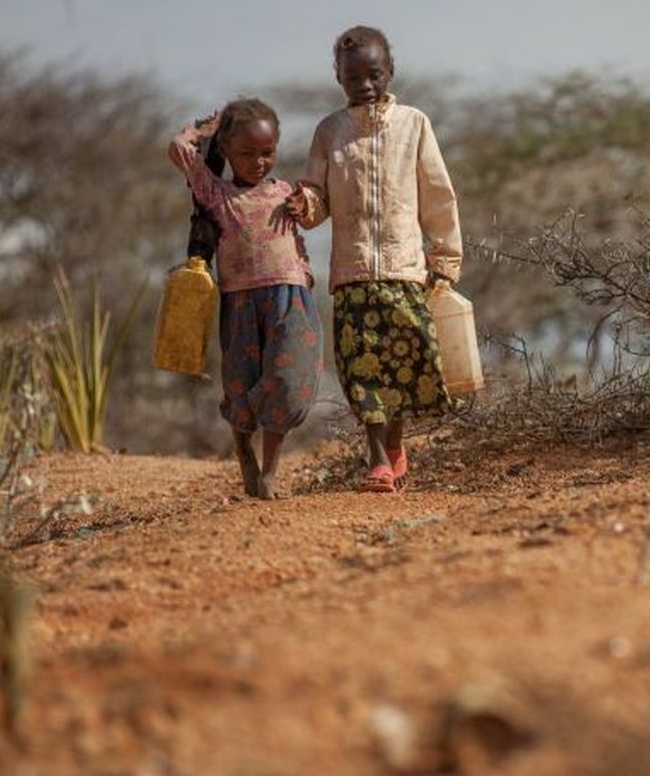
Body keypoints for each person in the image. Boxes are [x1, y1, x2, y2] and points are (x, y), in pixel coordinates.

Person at [286, 26, 462, 493]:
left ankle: (396, 445)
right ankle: (377, 457)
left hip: (405, 269)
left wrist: (444, 259)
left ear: (390, 71)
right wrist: (304, 203)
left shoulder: (414, 124)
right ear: (338, 78)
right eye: (353, 78)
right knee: (362, 367)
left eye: (374, 74)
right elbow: (317, 197)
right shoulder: (329, 131)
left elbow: (438, 197)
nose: (364, 85)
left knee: (404, 363)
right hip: (352, 272)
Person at [166, 99, 324, 500]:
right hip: (240, 303)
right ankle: (243, 450)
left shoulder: (286, 192)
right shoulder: (215, 193)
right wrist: (207, 128)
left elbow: (314, 212)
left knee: (287, 383)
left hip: (290, 298)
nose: (258, 162)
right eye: (247, 153)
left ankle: (271, 470)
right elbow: (178, 149)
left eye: (267, 152)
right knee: (241, 385)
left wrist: (305, 205)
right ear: (227, 150)